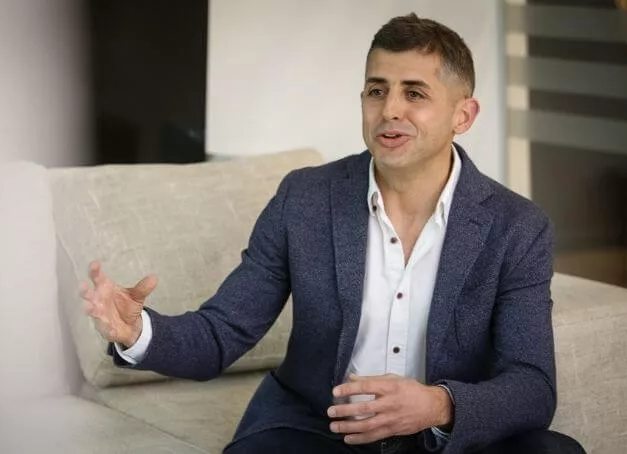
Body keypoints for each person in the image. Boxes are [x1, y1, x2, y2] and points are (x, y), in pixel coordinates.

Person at [80, 13, 586, 454]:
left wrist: (437, 405)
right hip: (318, 430)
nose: (390, 109)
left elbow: (532, 386)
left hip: (444, 435)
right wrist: (139, 332)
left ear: (463, 115)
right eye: (377, 90)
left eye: (414, 93)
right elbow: (222, 332)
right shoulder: (304, 198)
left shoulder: (517, 226)